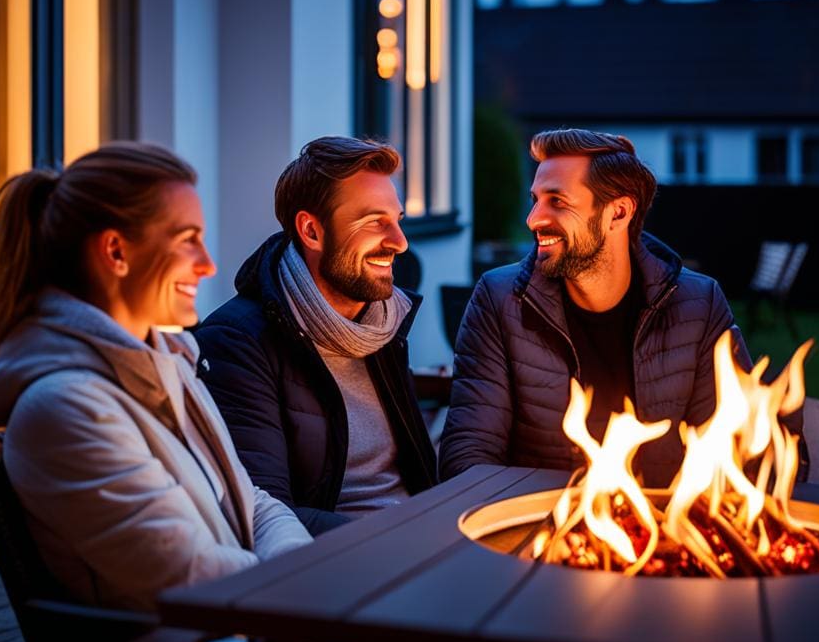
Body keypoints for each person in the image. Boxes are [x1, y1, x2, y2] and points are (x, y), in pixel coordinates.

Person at [0, 142, 312, 612]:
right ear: (115, 251)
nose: (208, 264)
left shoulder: (168, 363)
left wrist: (306, 571)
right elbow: (189, 575)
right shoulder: (64, 410)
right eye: (187, 238)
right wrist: (307, 588)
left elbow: (250, 501)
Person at [440, 129, 765, 489]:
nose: (533, 219)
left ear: (619, 213)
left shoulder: (698, 305)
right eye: (535, 200)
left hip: (665, 531)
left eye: (557, 202)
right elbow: (469, 457)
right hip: (541, 532)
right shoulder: (499, 301)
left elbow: (737, 452)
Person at [194, 136, 437, 535]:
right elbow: (264, 511)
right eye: (375, 222)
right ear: (311, 231)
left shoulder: (383, 323)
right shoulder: (237, 342)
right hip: (336, 565)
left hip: (421, 538)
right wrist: (405, 539)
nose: (399, 242)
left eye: (397, 220)